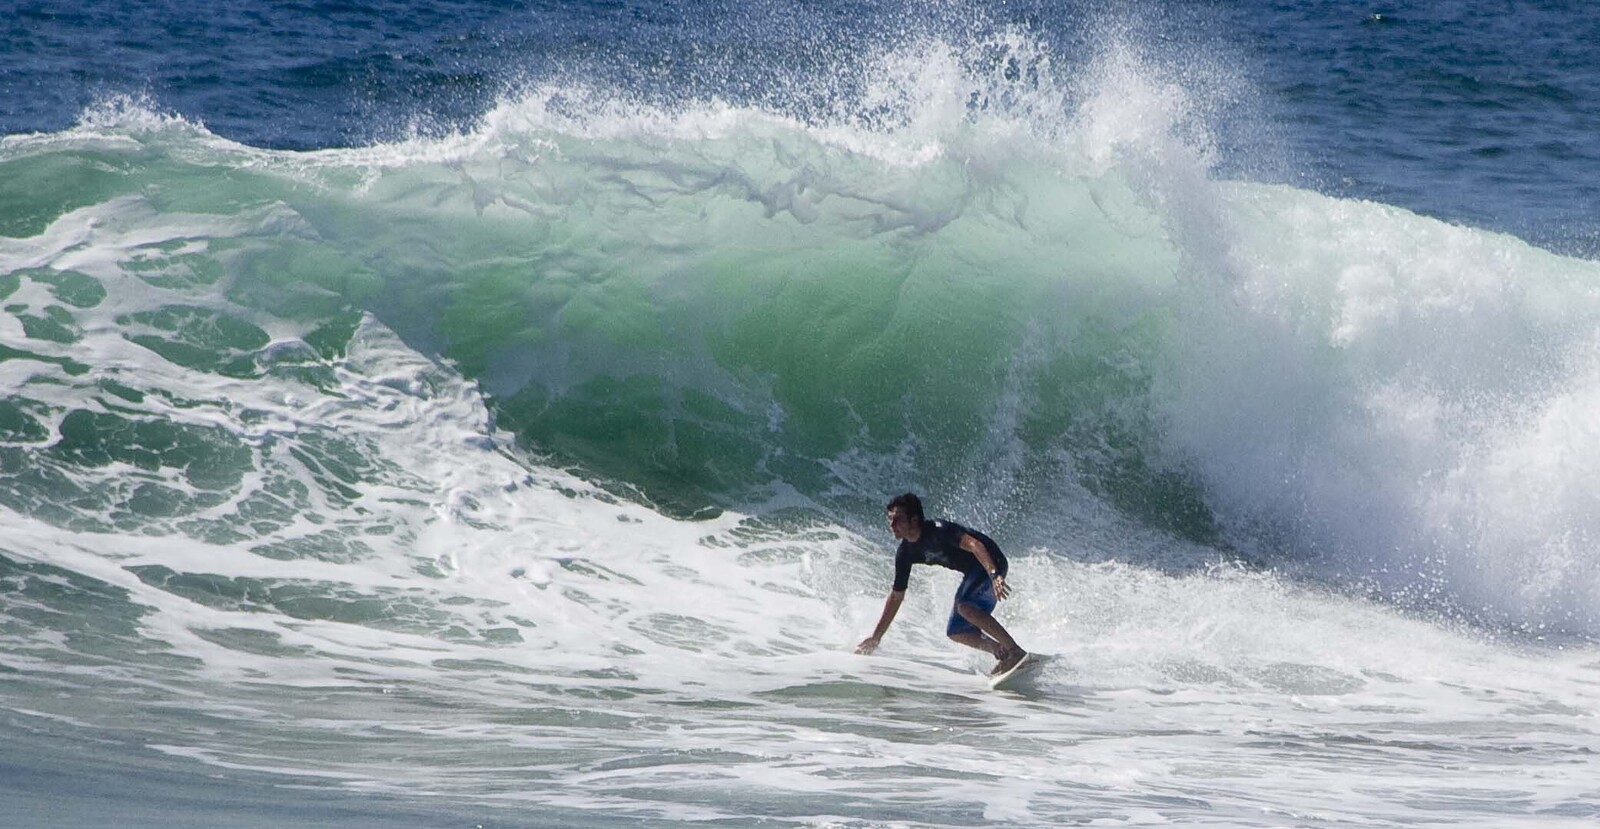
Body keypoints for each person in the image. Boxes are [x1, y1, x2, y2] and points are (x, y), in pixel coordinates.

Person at [855, 492, 1028, 675]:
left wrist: (994, 575)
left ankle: (1015, 651)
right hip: (972, 572)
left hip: (991, 562)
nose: (892, 525)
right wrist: (876, 637)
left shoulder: (939, 530)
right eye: (890, 519)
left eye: (898, 519)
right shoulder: (905, 553)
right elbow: (896, 596)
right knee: (957, 631)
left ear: (914, 520)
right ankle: (1001, 651)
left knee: (965, 607)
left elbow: (975, 545)